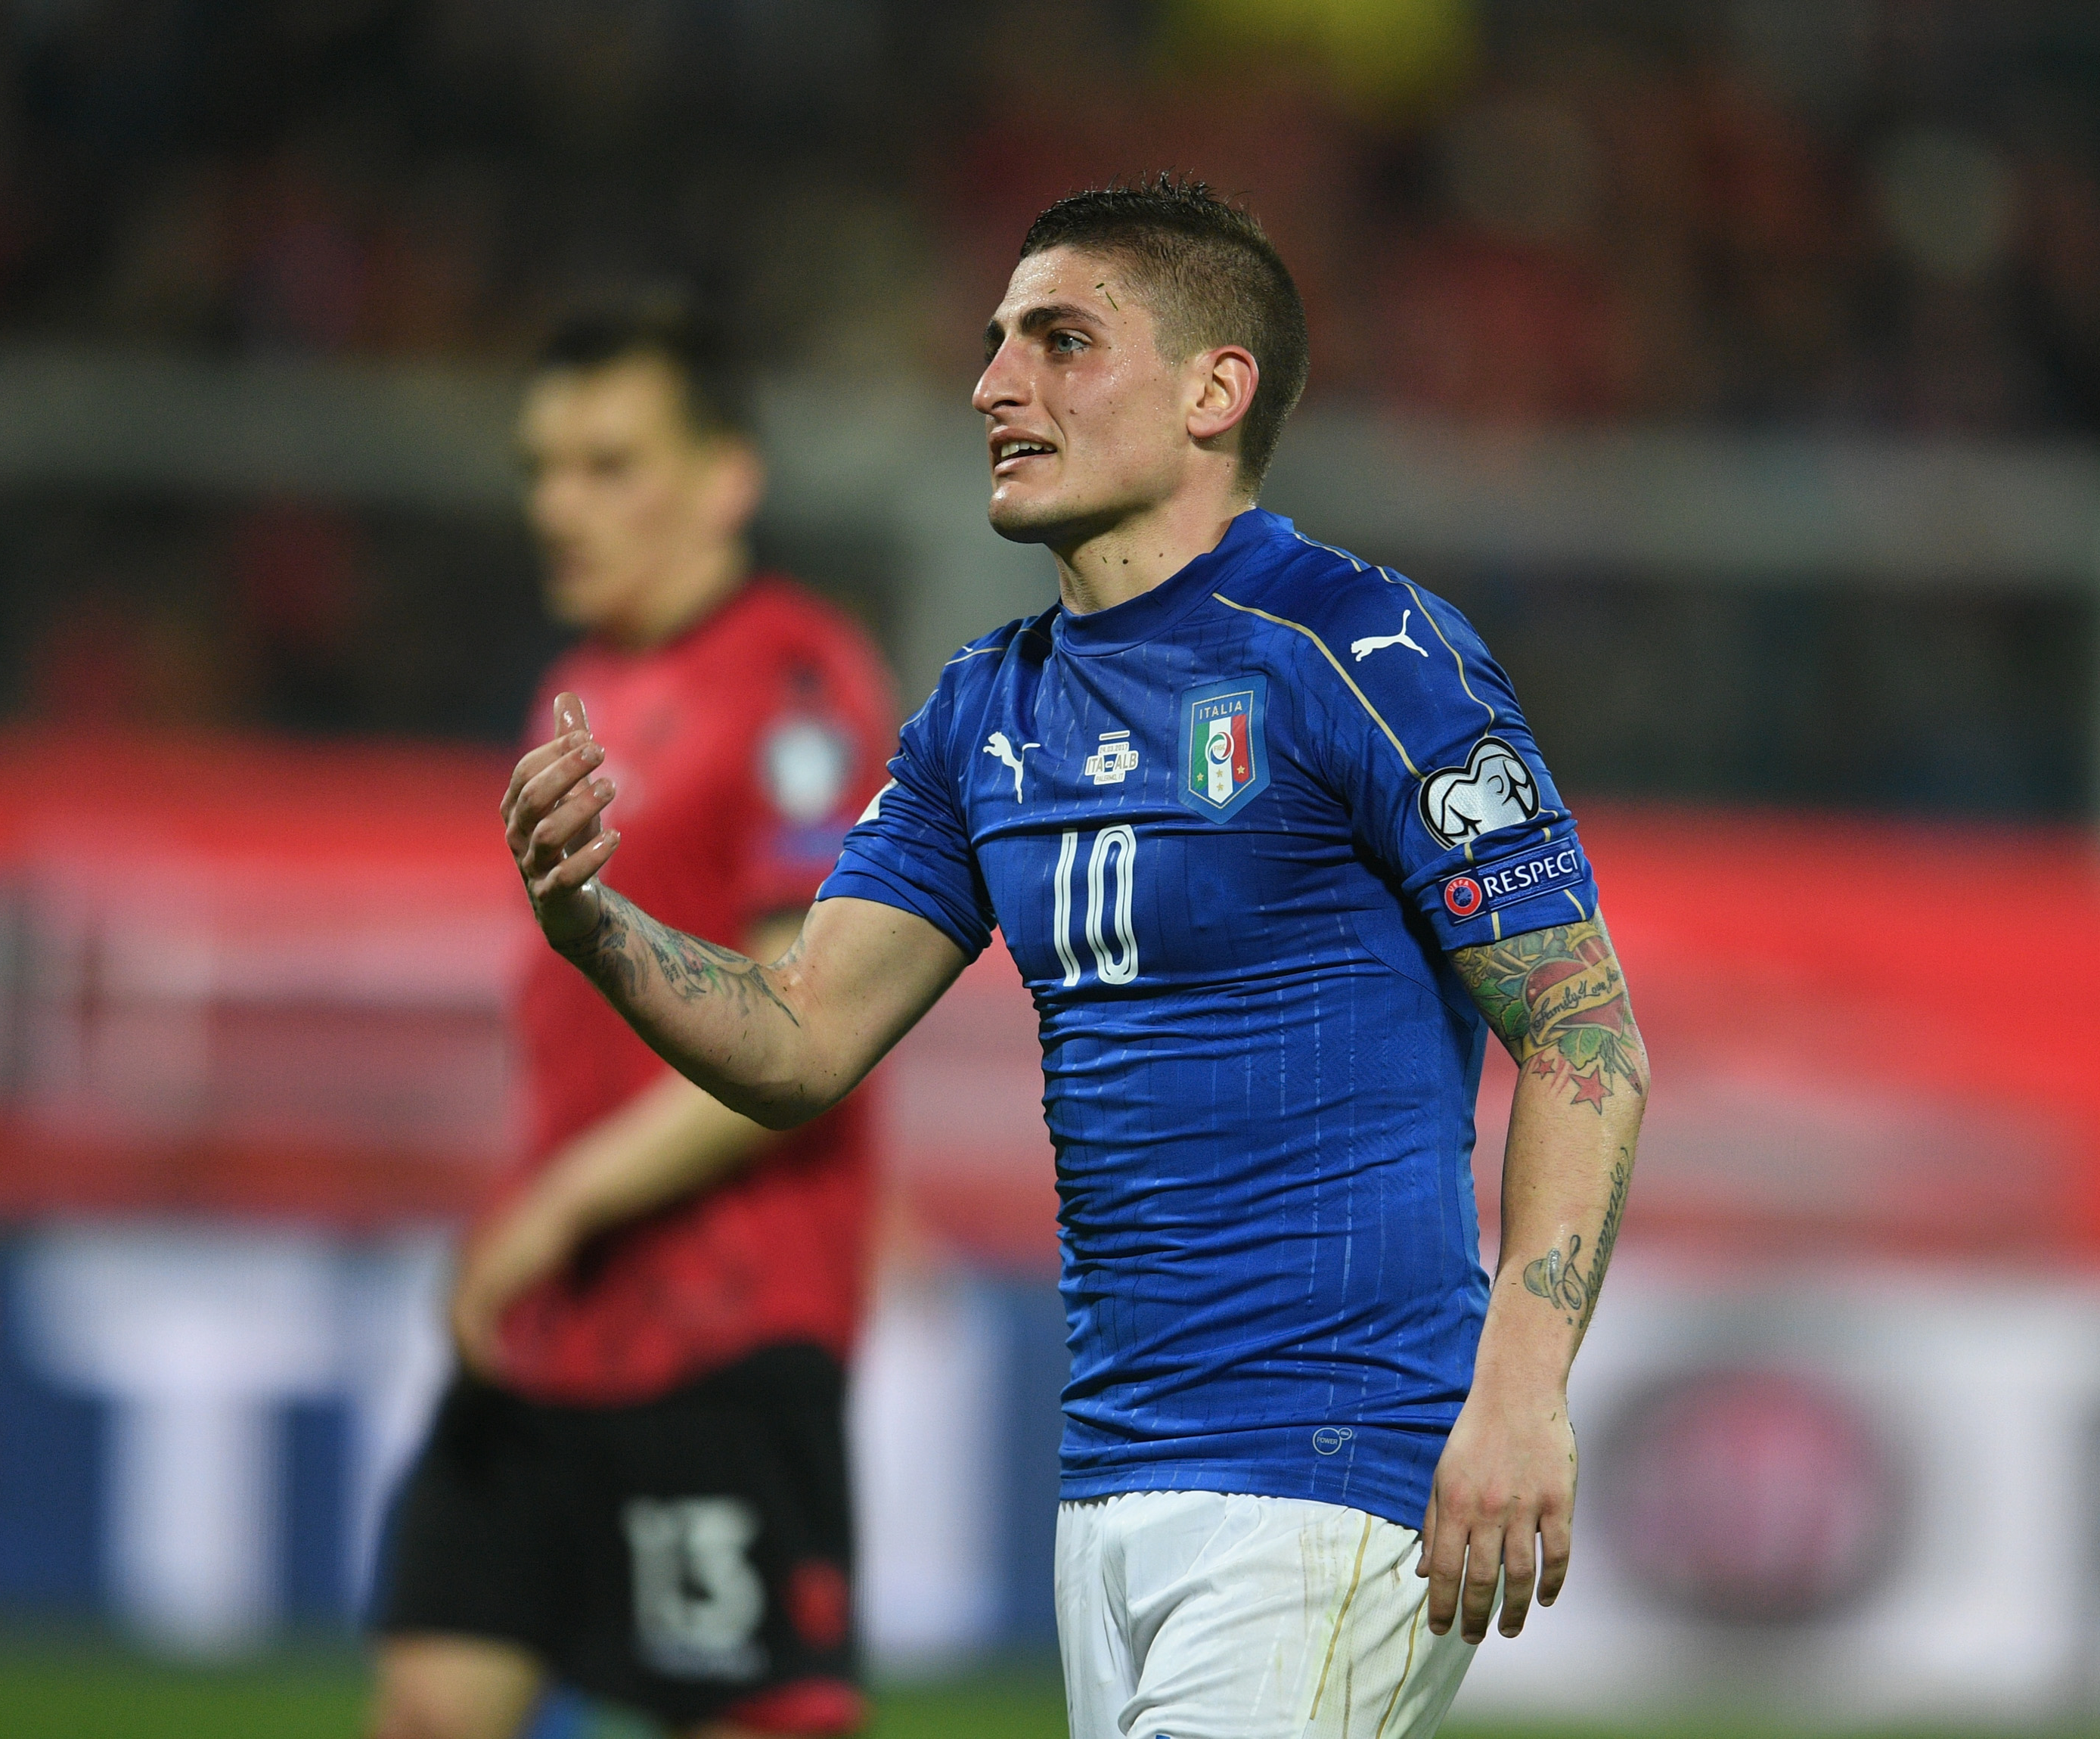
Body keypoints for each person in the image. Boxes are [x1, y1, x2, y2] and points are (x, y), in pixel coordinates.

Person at [504, 179, 1649, 1739]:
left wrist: (1522, 1380)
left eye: (1060, 341)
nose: (994, 385)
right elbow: (794, 1035)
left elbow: (1585, 1034)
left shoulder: (1361, 652)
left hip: (1329, 1465)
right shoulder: (985, 715)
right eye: (993, 346)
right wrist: (594, 922)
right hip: (1112, 1486)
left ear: (1212, 391)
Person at [372, 305, 896, 1739]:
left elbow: (811, 1014)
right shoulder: (578, 687)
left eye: (612, 464)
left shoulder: (796, 683)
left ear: (726, 478)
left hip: (724, 1329)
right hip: (558, 1323)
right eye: (546, 466)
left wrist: (556, 1203)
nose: (561, 504)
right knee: (428, 1699)